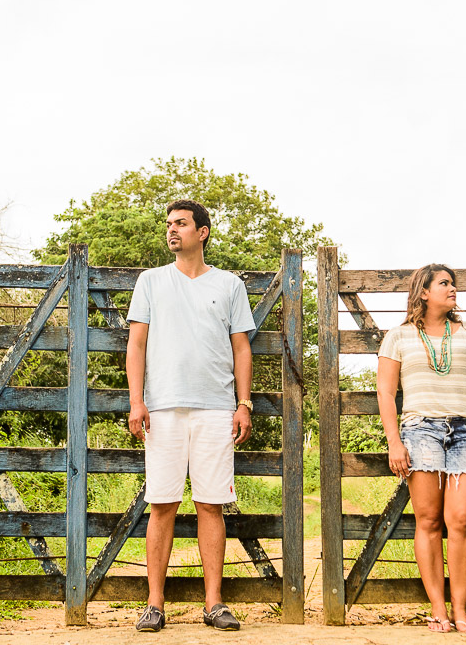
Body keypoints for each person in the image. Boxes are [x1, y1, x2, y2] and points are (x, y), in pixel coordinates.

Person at [125, 199, 256, 632]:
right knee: (161, 504)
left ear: (201, 232)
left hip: (216, 408)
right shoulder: (151, 281)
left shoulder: (230, 285)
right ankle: (155, 604)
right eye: (168, 224)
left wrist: (244, 403)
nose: (171, 230)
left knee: (210, 505)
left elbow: (241, 348)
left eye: (180, 223)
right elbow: (137, 345)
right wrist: (136, 401)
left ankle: (213, 603)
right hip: (161, 408)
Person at [376, 263, 466, 633]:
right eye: (444, 284)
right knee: (429, 520)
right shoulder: (398, 336)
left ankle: (461, 609)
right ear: (423, 292)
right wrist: (394, 442)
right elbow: (386, 392)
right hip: (420, 431)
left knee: (462, 519)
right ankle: (439, 610)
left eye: (453, 284)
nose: (452, 289)